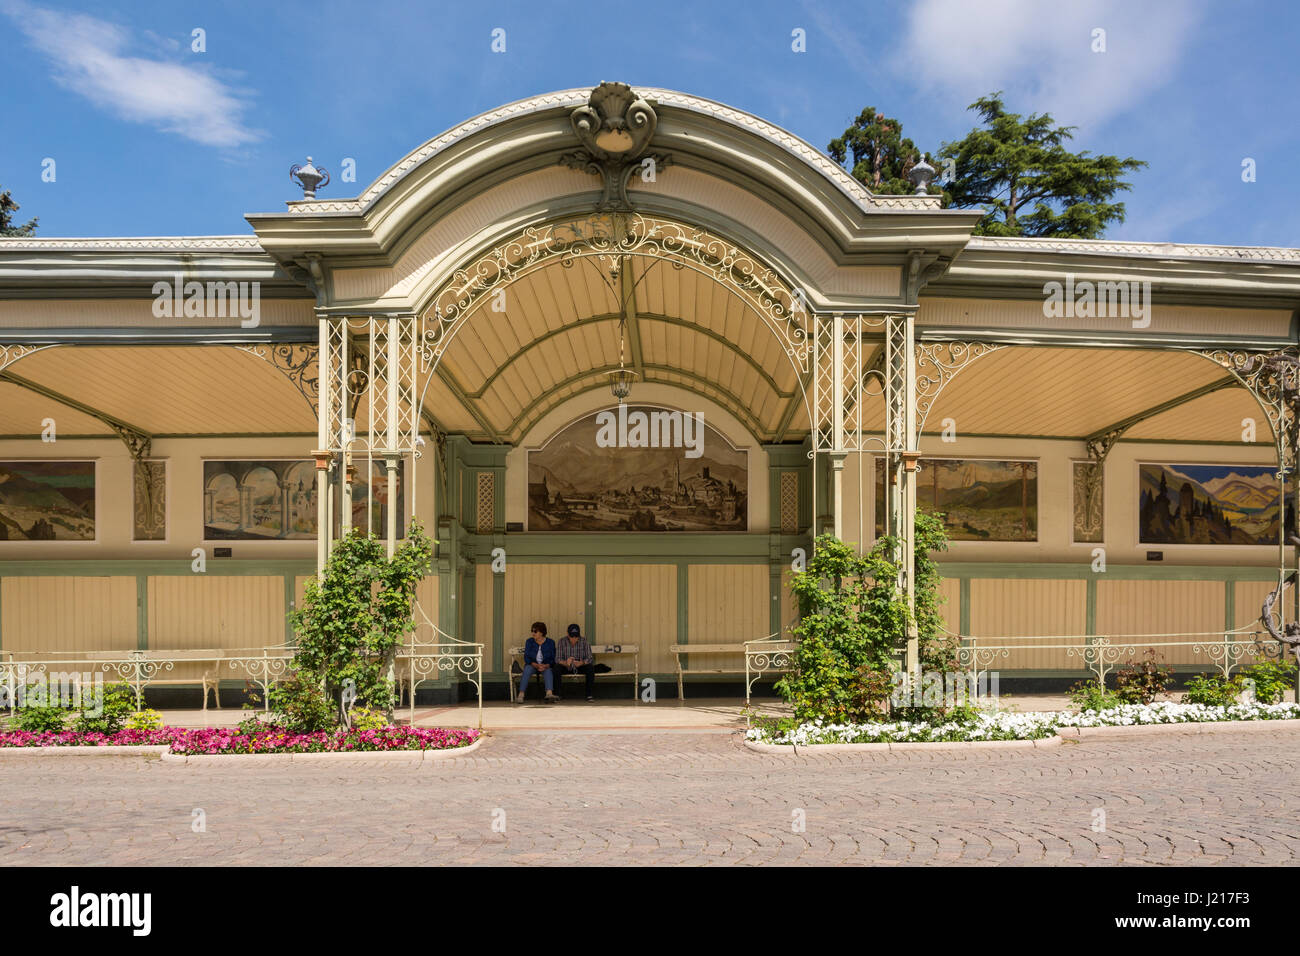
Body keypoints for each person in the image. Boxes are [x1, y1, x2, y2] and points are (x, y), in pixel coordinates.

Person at [554, 623, 596, 701]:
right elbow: (557, 659)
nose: (574, 638)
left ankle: (589, 695)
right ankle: (558, 694)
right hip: (566, 666)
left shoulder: (584, 641)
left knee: (590, 668)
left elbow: (590, 658)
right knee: (556, 668)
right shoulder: (561, 641)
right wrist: (566, 662)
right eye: (571, 636)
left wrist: (581, 662)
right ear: (567, 634)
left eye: (576, 636)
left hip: (580, 666)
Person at [517, 622, 558, 703]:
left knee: (548, 671)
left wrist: (546, 665)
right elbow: (527, 657)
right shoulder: (529, 641)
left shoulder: (550, 642)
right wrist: (534, 664)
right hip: (532, 664)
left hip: (545, 665)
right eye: (532, 631)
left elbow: (553, 658)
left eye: (535, 631)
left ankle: (549, 694)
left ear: (542, 632)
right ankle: (521, 694)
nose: (533, 633)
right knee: (527, 670)